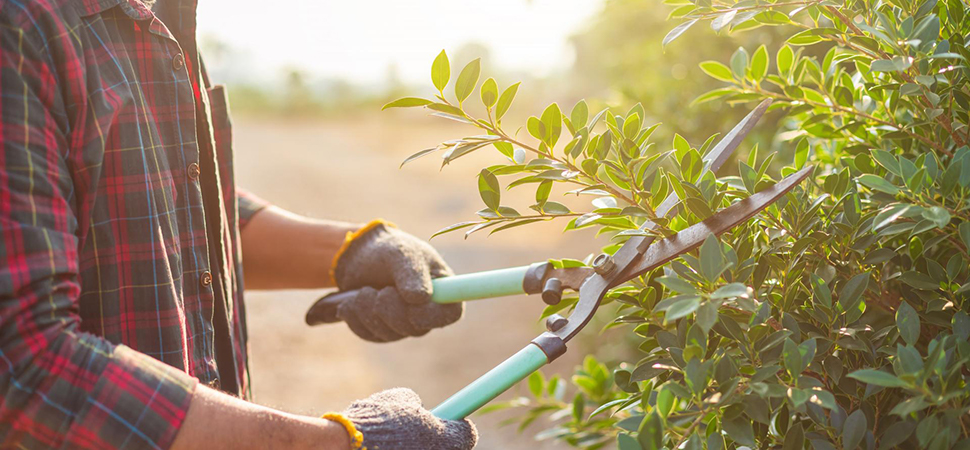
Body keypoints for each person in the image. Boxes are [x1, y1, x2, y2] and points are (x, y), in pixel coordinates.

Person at [0, 0, 478, 448]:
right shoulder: (22, 27)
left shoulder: (157, 18)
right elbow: (24, 364)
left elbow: (166, 207)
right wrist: (339, 442)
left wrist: (350, 252)